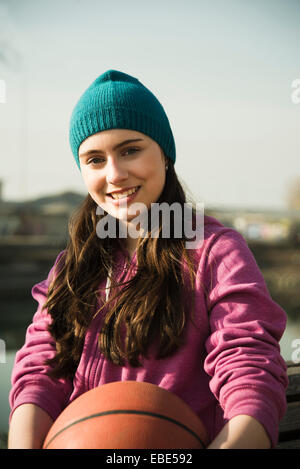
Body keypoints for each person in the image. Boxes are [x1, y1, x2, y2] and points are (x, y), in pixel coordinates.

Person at [8, 70, 288, 449]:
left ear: (165, 154)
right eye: (94, 159)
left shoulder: (215, 253)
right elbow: (39, 373)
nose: (115, 174)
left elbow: (249, 370)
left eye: (130, 150)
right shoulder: (72, 267)